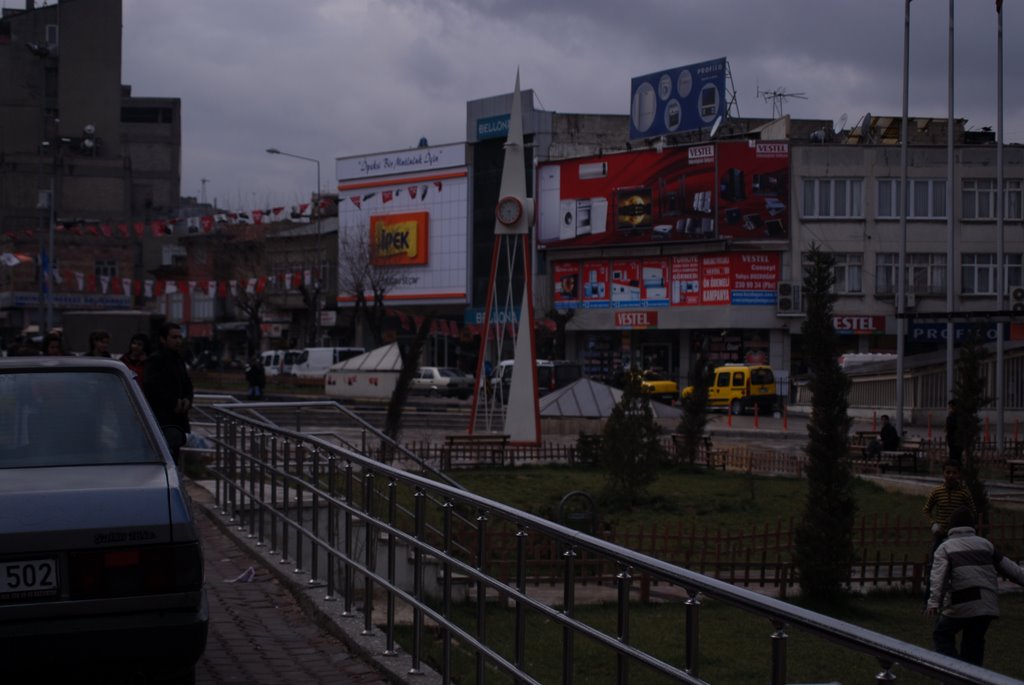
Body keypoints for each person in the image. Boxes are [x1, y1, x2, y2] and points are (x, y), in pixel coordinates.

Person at [925, 506, 1024, 667]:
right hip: (987, 604)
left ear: (952, 527)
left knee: (941, 634)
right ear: (972, 526)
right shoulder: (986, 544)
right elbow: (1013, 570)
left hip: (961, 600)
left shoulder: (946, 547)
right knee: (974, 644)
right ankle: (971, 677)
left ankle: (952, 673)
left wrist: (934, 602)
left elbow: (938, 576)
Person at [142, 322, 194, 465]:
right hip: (162, 419)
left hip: (177, 419)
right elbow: (152, 387)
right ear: (163, 339)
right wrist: (173, 402)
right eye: (174, 337)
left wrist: (187, 400)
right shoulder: (155, 360)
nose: (178, 341)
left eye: (179, 337)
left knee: (174, 456)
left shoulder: (178, 359)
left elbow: (187, 384)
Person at [924, 461, 977, 548]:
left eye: (954, 473)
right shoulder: (937, 492)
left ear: (958, 474)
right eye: (948, 472)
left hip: (959, 535)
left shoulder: (964, 492)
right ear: (943, 473)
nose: (951, 475)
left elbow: (973, 511)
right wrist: (934, 525)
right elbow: (926, 510)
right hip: (941, 534)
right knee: (936, 556)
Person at [945, 399, 963, 464]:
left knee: (956, 457)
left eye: (951, 407)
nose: (950, 409)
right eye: (950, 407)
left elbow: (953, 426)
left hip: (956, 440)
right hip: (951, 440)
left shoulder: (957, 416)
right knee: (952, 456)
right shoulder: (951, 416)